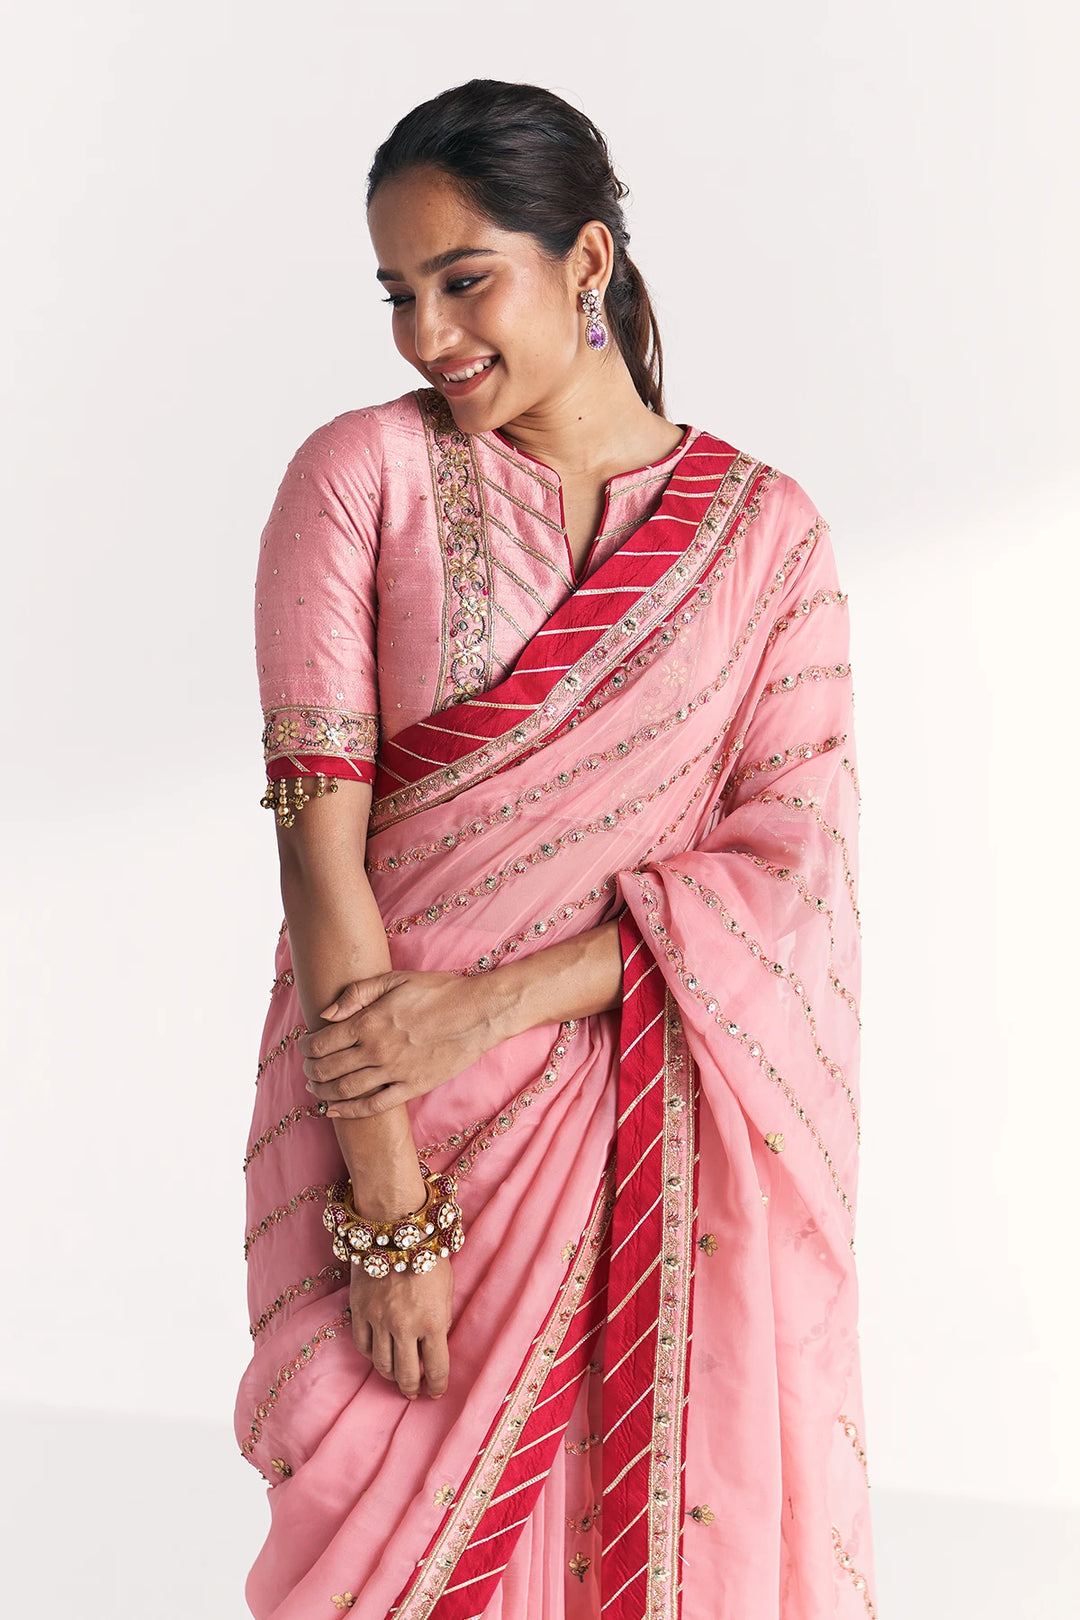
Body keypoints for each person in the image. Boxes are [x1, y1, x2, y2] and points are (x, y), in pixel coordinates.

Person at [234, 77, 877, 1620]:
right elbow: (321, 868)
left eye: (468, 281)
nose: (428, 336)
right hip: (393, 1123)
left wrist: (498, 1000)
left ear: (586, 263)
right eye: (400, 293)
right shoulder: (358, 480)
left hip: (653, 1129)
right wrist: (389, 1207)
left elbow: (792, 881)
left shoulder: (766, 539)